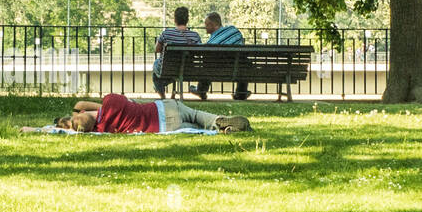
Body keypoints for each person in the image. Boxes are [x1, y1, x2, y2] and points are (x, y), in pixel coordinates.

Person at [20, 92, 250, 135]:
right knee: (200, 115)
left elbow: (78, 122)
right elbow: (80, 103)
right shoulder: (111, 103)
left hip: (164, 128)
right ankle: (218, 122)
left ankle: (219, 129)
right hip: (164, 108)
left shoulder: (105, 129)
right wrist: (78, 111)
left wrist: (40, 129)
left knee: (194, 128)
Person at [194, 11, 250, 102]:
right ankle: (241, 93)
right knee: (244, 62)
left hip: (216, 71)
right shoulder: (234, 31)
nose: (205, 27)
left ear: (213, 25)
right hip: (237, 70)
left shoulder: (211, 43)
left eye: (207, 24)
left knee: (207, 63)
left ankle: (201, 90)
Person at [152, 6, 201, 96]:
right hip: (188, 69)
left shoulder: (166, 34)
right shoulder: (195, 36)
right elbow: (199, 52)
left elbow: (157, 50)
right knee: (177, 69)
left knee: (156, 64)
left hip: (169, 68)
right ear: (187, 20)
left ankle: (162, 95)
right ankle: (171, 92)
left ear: (175, 19)